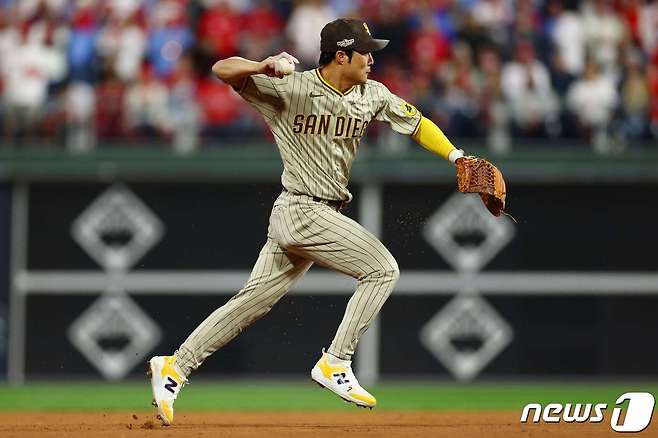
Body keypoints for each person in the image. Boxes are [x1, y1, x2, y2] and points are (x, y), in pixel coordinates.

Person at [148, 18, 467, 426]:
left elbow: (417, 124)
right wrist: (261, 66)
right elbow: (221, 70)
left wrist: (457, 157)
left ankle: (175, 365)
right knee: (382, 270)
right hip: (302, 208)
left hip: (315, 214)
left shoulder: (373, 94)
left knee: (251, 302)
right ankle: (336, 361)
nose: (372, 58)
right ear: (340, 55)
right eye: (365, 51)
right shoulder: (292, 87)